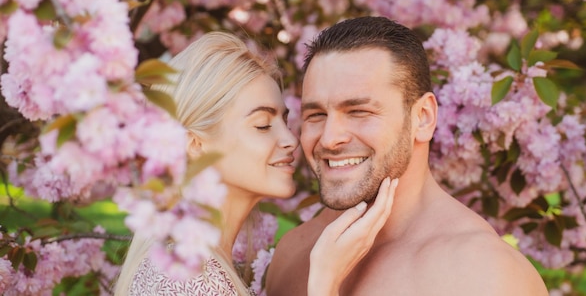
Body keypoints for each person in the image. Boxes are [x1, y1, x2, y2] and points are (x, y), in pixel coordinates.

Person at [266, 17, 549, 296]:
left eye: (359, 112)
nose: (329, 138)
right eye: (316, 115)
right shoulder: (295, 251)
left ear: (423, 118)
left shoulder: (482, 273)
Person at [114, 32, 398, 296]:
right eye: (263, 125)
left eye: (284, 121)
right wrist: (325, 279)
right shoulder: (193, 281)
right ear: (195, 144)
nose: (289, 139)